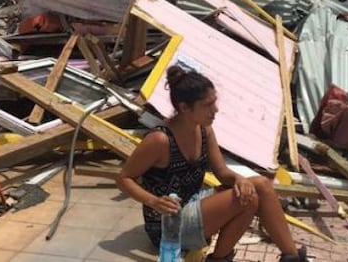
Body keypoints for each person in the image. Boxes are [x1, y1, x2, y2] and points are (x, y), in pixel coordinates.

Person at [117, 65, 308, 262]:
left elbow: (222, 173)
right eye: (207, 105)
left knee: (260, 186)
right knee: (249, 200)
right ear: (184, 107)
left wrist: (239, 179)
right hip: (168, 224)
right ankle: (219, 258)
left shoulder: (203, 130)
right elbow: (124, 178)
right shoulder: (160, 140)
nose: (215, 110)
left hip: (194, 204)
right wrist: (154, 202)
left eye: (214, 103)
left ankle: (291, 257)